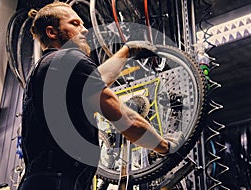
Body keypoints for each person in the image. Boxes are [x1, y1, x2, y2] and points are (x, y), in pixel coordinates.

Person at [18, 2, 184, 190]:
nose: (85, 30)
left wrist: (127, 52)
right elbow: (125, 118)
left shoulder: (47, 68)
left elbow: (94, 81)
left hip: (39, 181)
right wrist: (165, 146)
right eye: (74, 23)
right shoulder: (69, 59)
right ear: (52, 32)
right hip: (60, 183)